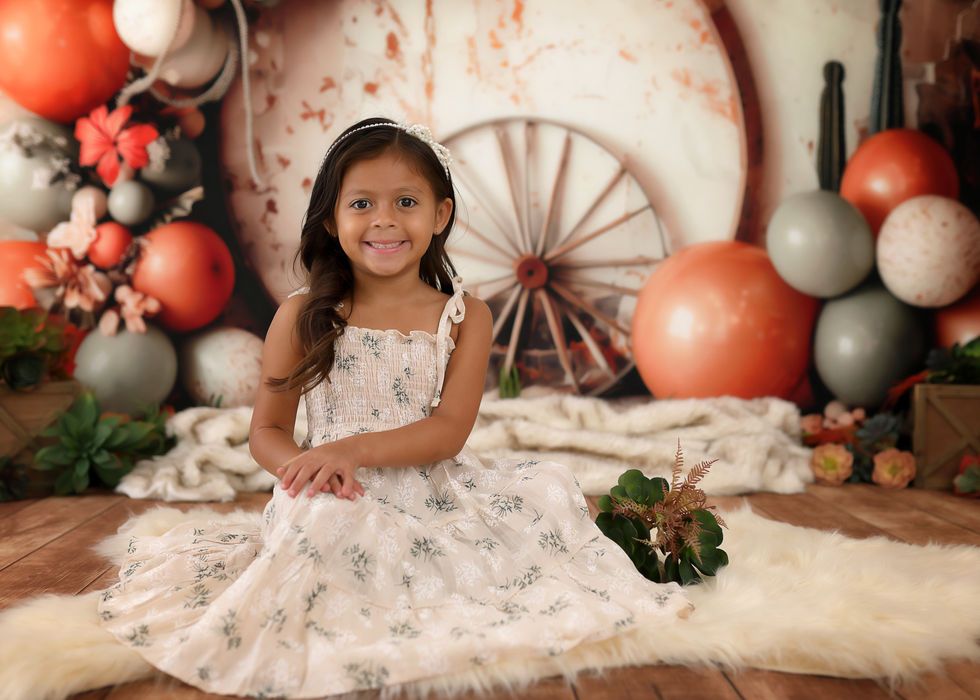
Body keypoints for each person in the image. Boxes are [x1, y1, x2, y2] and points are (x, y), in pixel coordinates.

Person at [97, 118, 690, 698]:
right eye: (361, 204)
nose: (384, 220)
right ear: (331, 218)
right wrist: (305, 471)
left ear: (440, 215)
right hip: (331, 490)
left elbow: (449, 431)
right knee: (326, 535)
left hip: (429, 486)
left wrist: (352, 449)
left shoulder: (465, 317)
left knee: (547, 497)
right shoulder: (301, 316)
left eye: (406, 201)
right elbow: (268, 430)